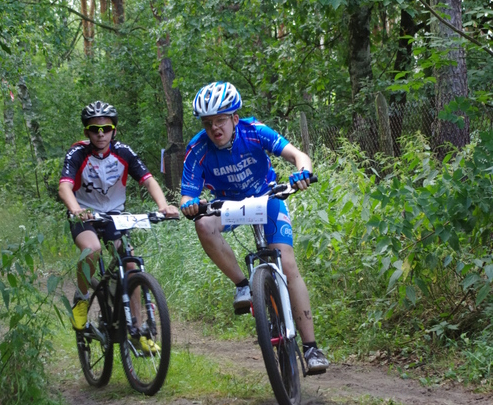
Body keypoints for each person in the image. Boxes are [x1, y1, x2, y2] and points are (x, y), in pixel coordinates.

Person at [180, 82, 329, 375]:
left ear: (235, 118)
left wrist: (303, 172)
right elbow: (187, 195)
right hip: (227, 205)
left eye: (220, 120)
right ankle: (242, 285)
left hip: (266, 197)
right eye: (207, 123)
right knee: (203, 224)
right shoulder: (197, 149)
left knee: (287, 264)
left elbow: (298, 156)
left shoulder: (255, 131)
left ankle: (311, 348)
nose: (214, 128)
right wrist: (190, 205)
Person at [59, 101, 179, 342]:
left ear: (114, 130)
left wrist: (163, 206)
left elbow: (148, 180)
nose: (100, 134)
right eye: (94, 129)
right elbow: (64, 187)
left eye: (106, 128)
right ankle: (81, 298)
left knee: (131, 266)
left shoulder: (123, 152)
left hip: (115, 215)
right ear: (87, 132)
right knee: (92, 249)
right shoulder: (77, 153)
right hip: (86, 215)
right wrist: (76, 210)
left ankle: (138, 329)